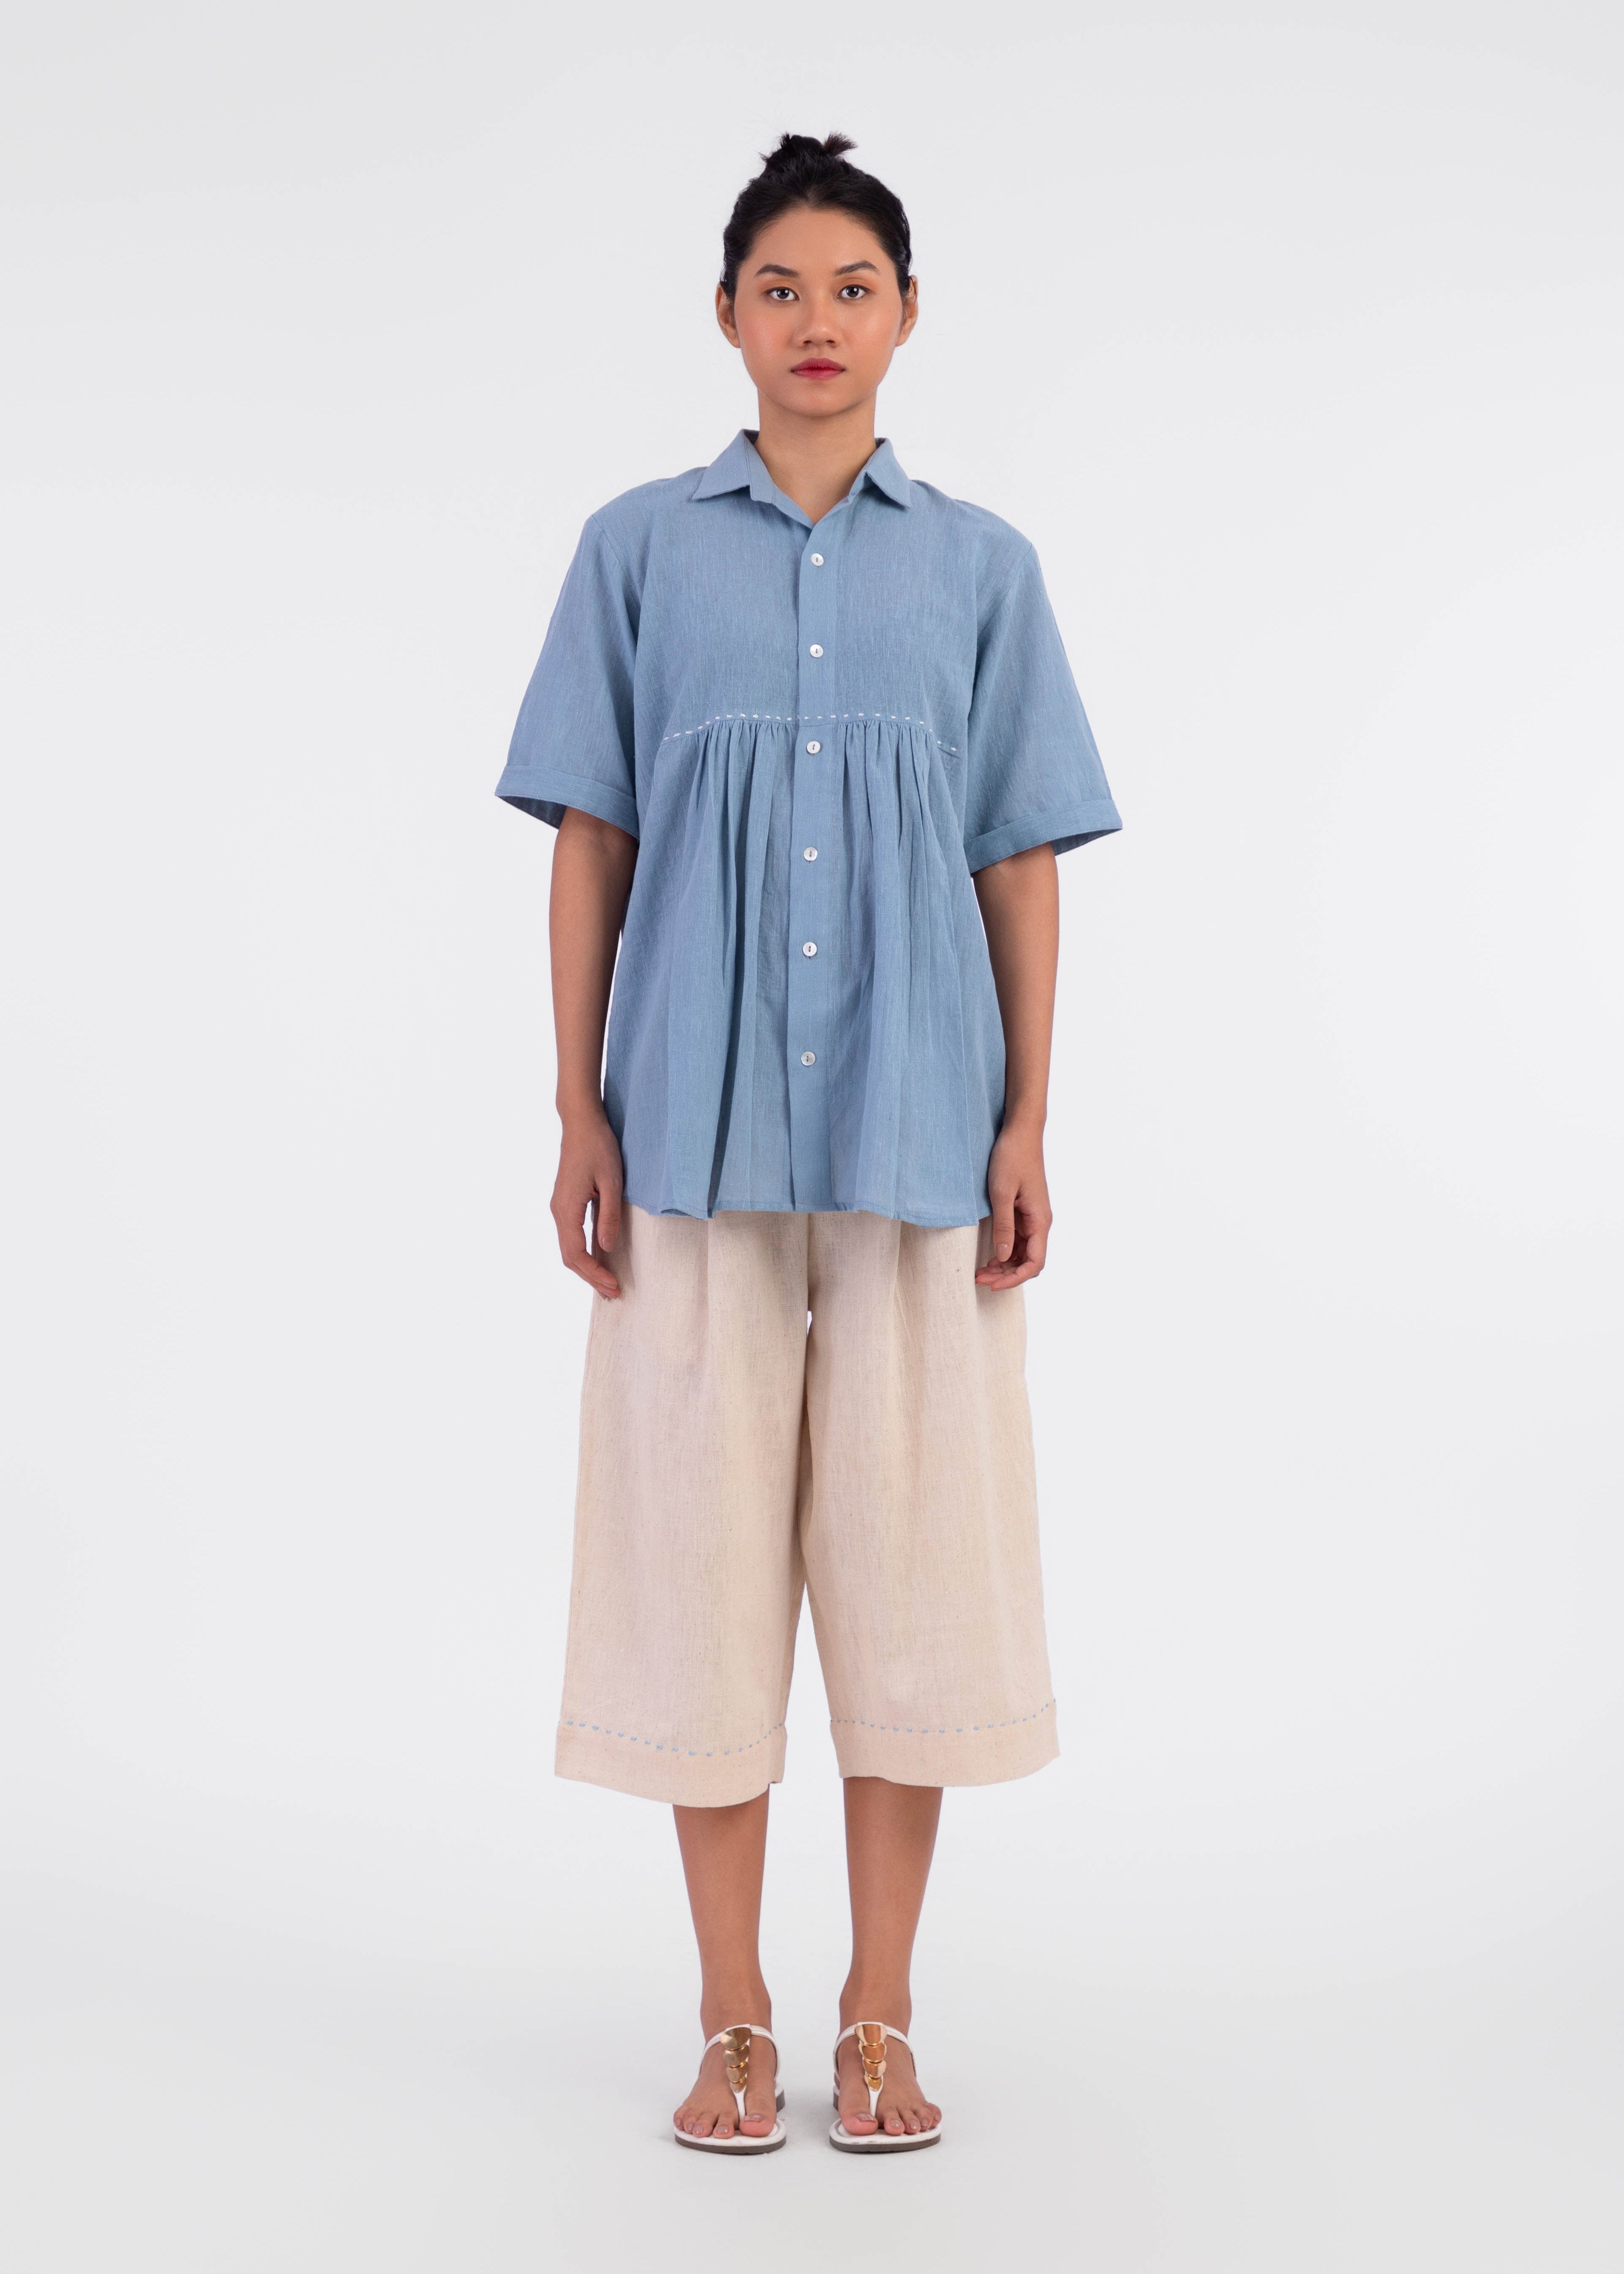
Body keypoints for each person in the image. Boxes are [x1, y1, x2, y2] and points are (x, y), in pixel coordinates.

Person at [496, 132, 1120, 2155]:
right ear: (726, 314)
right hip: (684, 1130)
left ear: (908, 314)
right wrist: (577, 1102)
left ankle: (879, 2014)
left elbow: (1018, 853)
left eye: (854, 287)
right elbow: (593, 837)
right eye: (782, 286)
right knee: (693, 1571)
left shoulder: (984, 567)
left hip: (923, 1131)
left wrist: (1029, 1112)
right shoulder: (635, 550)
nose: (818, 321)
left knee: (913, 1574)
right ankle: (733, 2018)